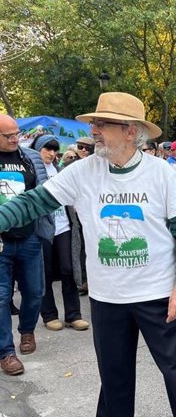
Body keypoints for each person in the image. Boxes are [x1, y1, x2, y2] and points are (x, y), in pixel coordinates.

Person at [0, 93, 176, 417]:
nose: (93, 131)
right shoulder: (83, 172)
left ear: (130, 132)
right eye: (94, 123)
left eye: (103, 124)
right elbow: (31, 203)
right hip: (107, 299)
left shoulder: (161, 173)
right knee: (115, 374)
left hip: (157, 293)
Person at [0, 114, 52, 376]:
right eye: (8, 135)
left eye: (16, 134)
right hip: (1, 243)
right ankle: (6, 353)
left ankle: (27, 331)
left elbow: (44, 193)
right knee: (0, 297)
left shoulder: (29, 158)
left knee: (34, 292)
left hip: (30, 237)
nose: (14, 139)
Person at [31, 135, 89, 332]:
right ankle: (49, 314)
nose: (51, 153)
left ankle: (73, 315)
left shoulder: (61, 170)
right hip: (42, 228)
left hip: (64, 225)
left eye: (54, 150)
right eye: (47, 149)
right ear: (37, 149)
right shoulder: (31, 171)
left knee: (69, 269)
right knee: (44, 271)